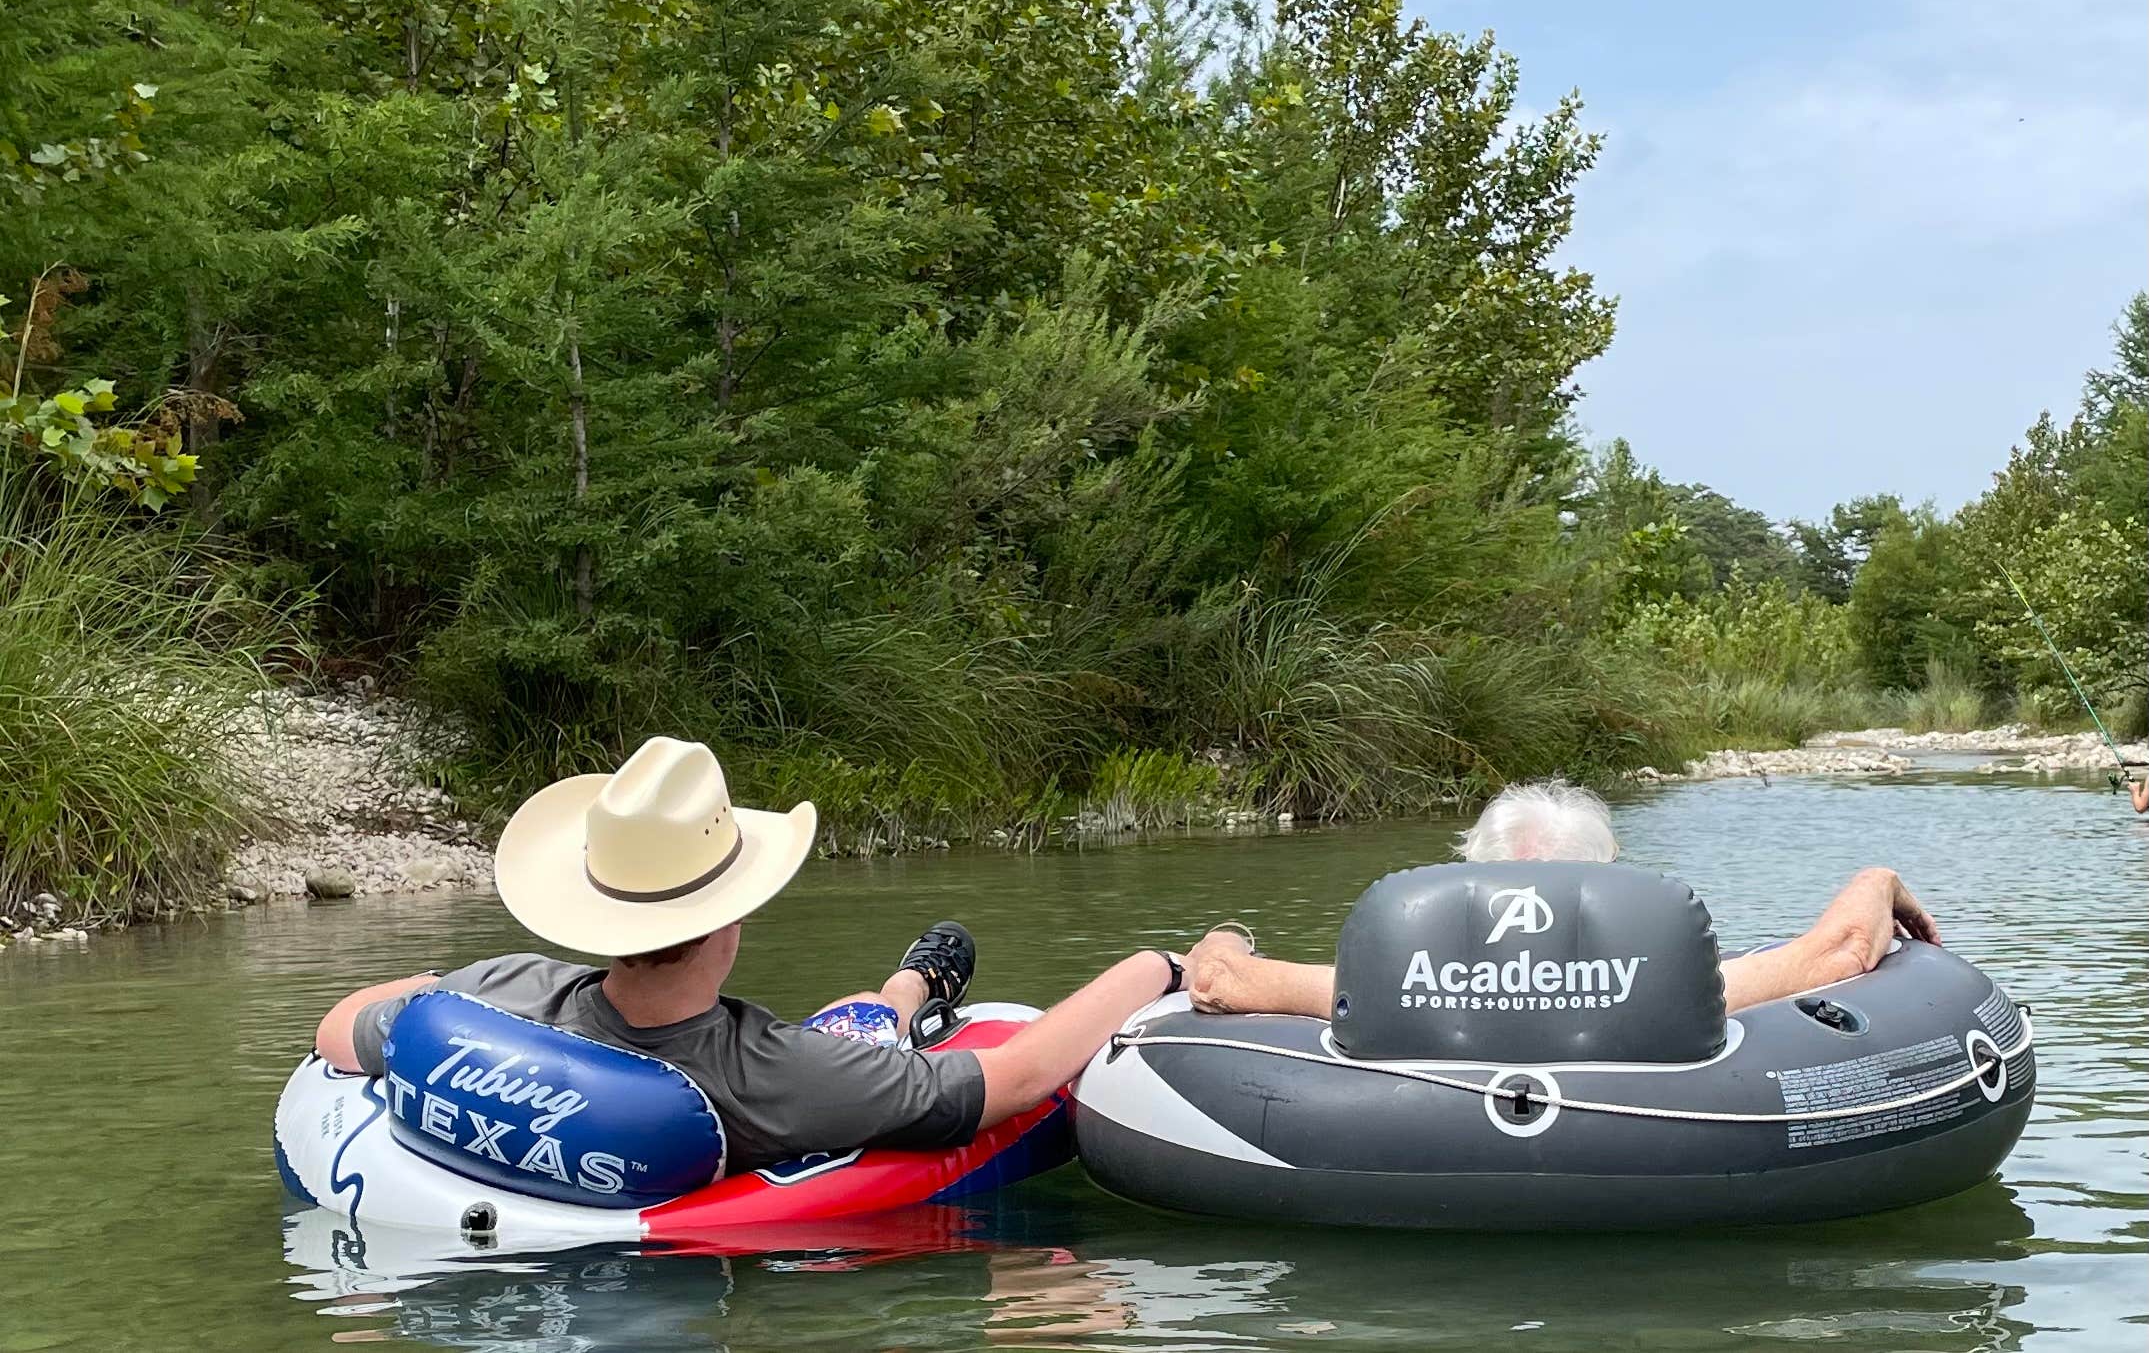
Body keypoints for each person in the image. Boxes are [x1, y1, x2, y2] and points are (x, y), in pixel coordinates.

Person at [315, 736, 1198, 1174]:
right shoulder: (773, 1074)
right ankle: (908, 991)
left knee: (861, 1024)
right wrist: (1159, 967)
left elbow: (336, 1032)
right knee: (859, 1037)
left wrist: (433, 988)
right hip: (800, 1079)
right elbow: (1015, 1080)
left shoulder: (500, 987)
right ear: (731, 917)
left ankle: (909, 986)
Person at [1182, 778, 1943, 1020]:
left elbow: (1215, 980)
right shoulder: (1670, 989)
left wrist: (1228, 935)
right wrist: (1879, 881)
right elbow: (1845, 951)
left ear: (1464, 881)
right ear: (1606, 885)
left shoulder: (1393, 989)